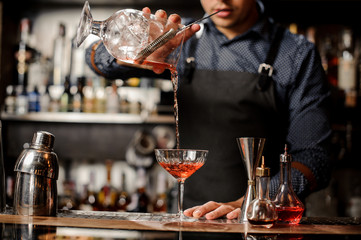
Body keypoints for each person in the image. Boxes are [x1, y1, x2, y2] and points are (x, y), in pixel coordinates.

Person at [85, 0, 332, 220]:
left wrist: (259, 200)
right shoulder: (180, 37)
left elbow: (314, 157)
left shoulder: (296, 53)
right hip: (186, 215)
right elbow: (95, 61)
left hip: (261, 220)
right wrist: (131, 51)